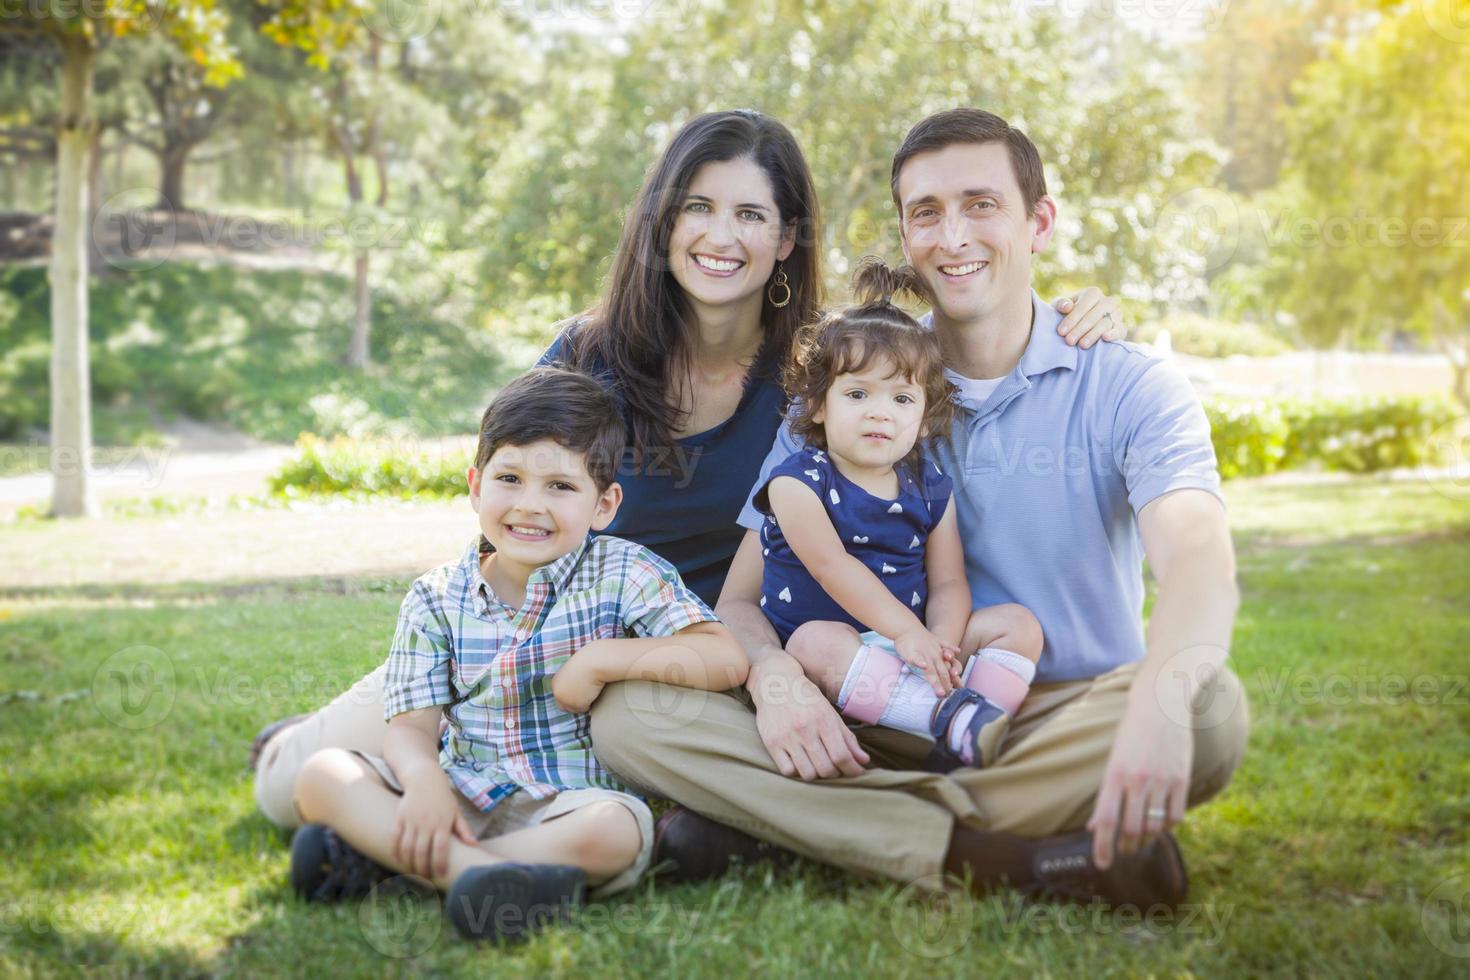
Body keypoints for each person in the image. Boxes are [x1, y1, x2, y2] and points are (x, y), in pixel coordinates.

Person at [248, 110, 1123, 832]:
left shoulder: (819, 375)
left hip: (714, 667)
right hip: (544, 647)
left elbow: (935, 356)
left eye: (751, 215)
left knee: (622, 776)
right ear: (663, 221)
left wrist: (1083, 309)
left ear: (786, 240)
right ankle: (303, 746)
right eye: (698, 207)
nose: (720, 236)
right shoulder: (586, 356)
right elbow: (505, 526)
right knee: (288, 792)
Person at [587, 108, 1250, 908]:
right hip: (862, 708)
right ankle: (1006, 856)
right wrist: (775, 680)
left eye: (981, 205)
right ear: (905, 237)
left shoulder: (1128, 385)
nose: (954, 235)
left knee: (1204, 704)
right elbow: (741, 596)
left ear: (1038, 222)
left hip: (1040, 721)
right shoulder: (852, 382)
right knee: (631, 714)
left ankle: (806, 826)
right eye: (926, 213)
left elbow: (1199, 556)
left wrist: (1153, 705)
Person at [288, 368, 748, 943]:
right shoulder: (435, 596)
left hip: (568, 804)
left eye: (560, 487)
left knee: (619, 830)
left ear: (604, 504)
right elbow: (410, 728)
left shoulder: (625, 571)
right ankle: (482, 876)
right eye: (510, 478)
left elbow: (723, 656)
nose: (530, 505)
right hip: (461, 791)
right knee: (323, 775)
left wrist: (603, 659)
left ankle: (392, 866)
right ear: (476, 486)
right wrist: (425, 782)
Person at [754, 256, 1043, 772]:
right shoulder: (797, 481)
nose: (880, 411)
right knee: (813, 642)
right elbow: (832, 567)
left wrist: (942, 648)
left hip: (912, 651)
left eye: (902, 397)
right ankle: (947, 722)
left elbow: (950, 582)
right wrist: (907, 634)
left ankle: (969, 723)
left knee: (1016, 625)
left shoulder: (929, 486)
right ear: (818, 405)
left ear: (924, 414)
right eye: (858, 393)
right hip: (832, 661)